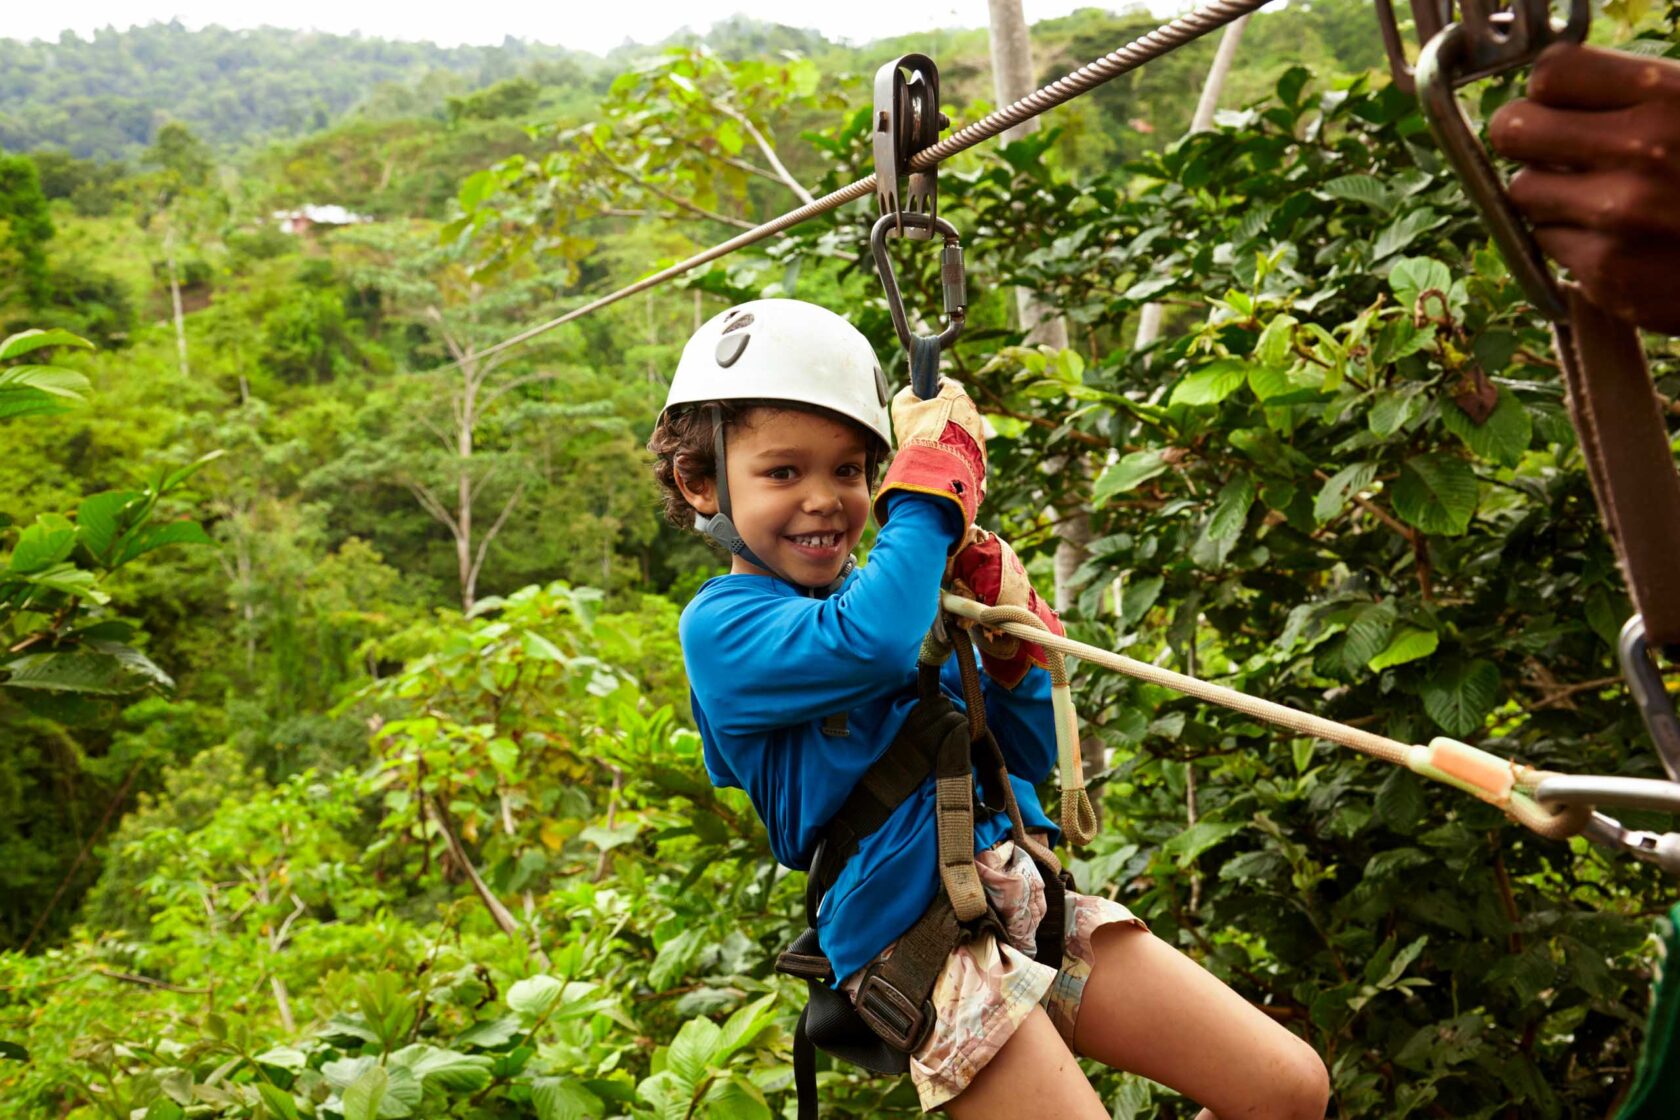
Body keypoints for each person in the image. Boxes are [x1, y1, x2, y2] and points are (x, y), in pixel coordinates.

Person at [649, 298, 1328, 1119]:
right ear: (700, 483)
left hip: (1012, 887)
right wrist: (933, 490)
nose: (826, 499)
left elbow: (1015, 754)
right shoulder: (725, 628)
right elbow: (870, 645)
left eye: (851, 471)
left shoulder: (885, 602)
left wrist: (1011, 657)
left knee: (1289, 1089)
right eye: (784, 472)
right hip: (909, 937)